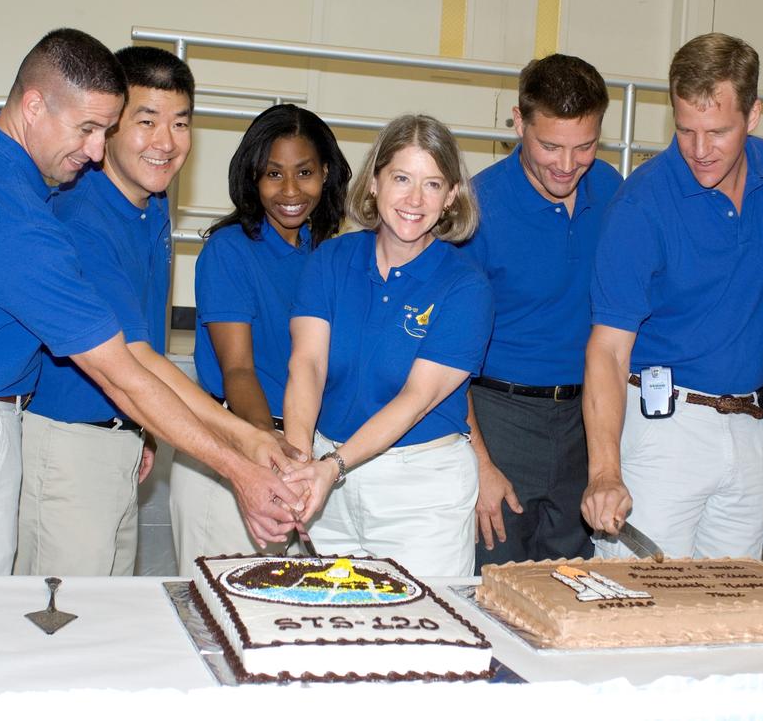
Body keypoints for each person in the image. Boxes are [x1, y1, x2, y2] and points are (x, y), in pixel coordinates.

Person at [0, 28, 302, 575]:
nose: (96, 150)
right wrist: (239, 462)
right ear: (33, 106)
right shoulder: (26, 225)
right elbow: (123, 370)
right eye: (92, 128)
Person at [580, 33, 763, 560]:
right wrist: (605, 471)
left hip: (749, 430)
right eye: (685, 131)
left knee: (732, 613)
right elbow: (607, 350)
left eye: (718, 132)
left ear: (754, 114)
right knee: (638, 613)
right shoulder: (641, 206)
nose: (700, 150)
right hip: (663, 436)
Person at [282, 114, 493, 577]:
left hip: (420, 495)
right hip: (325, 479)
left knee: (420, 635)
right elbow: (308, 365)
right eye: (401, 178)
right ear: (375, 181)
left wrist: (331, 468)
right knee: (326, 632)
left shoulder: (464, 286)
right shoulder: (331, 260)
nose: (414, 199)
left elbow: (416, 400)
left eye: (432, 184)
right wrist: (299, 466)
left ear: (451, 196)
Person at [14, 46, 193, 576]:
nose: (165, 142)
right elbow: (133, 356)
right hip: (67, 449)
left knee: (106, 620)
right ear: (110, 126)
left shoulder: (152, 204)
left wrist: (144, 428)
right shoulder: (79, 216)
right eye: (146, 121)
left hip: (119, 439)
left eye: (180, 123)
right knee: (60, 624)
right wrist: (240, 446)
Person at [169, 104, 350, 575]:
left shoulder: (328, 253)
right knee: (218, 610)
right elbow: (238, 370)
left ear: (326, 173)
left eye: (305, 172)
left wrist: (303, 456)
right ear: (253, 178)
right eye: (273, 174)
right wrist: (266, 445)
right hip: (237, 448)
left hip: (301, 454)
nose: (290, 191)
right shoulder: (228, 251)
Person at [462, 54, 620, 569]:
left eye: (585, 146)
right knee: (496, 589)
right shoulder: (476, 208)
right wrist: (480, 464)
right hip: (500, 419)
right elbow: (444, 355)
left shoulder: (613, 190)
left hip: (584, 421)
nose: (568, 165)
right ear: (518, 121)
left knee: (574, 590)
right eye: (550, 145)